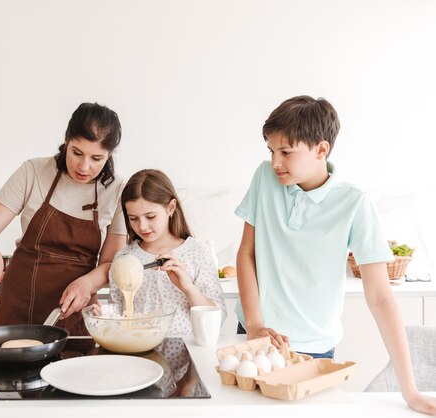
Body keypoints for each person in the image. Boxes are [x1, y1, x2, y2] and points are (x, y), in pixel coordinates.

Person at [235, 95, 436, 414]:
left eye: (286, 152)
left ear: (321, 149)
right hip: (255, 340)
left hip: (313, 355)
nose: (275, 162)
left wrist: (409, 391)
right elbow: (246, 254)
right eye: (271, 150)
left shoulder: (354, 204)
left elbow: (381, 297)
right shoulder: (264, 179)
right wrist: (256, 324)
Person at [0, 102, 127, 335]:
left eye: (96, 158)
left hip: (74, 307)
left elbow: (110, 264)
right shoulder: (33, 171)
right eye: (77, 153)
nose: (84, 166)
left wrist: (86, 285)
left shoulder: (119, 189)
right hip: (17, 302)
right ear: (66, 139)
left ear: (109, 154)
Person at [108, 169, 227, 336]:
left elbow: (218, 317)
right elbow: (117, 317)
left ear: (171, 208)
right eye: (133, 218)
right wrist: (105, 317)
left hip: (187, 359)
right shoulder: (124, 259)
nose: (142, 226)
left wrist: (187, 288)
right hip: (136, 358)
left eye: (150, 216)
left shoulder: (196, 253)